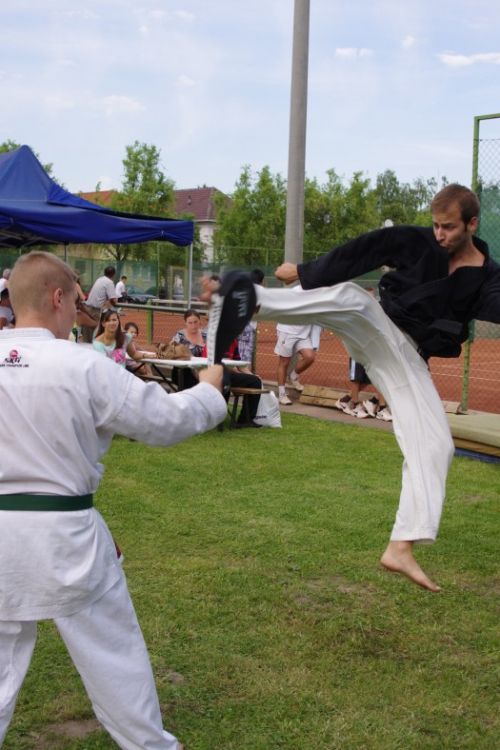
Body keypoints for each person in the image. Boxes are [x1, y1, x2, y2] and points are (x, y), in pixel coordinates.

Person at [0, 250, 227, 749]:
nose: (78, 313)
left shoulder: (80, 362)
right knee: (113, 654)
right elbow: (164, 421)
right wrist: (209, 392)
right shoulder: (82, 365)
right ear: (57, 298)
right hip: (65, 538)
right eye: (76, 303)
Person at [250, 183, 500, 592]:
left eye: (449, 227)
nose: (439, 234)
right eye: (436, 225)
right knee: (353, 300)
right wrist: (306, 272)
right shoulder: (420, 242)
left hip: (407, 360)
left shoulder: (488, 276)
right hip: (381, 326)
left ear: (472, 224)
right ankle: (253, 301)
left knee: (436, 444)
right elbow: (369, 247)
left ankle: (401, 545)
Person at [274, 323, 316, 405]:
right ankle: (282, 394)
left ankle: (293, 376)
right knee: (284, 362)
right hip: (287, 332)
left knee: (310, 357)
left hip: (304, 333)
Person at [169, 308, 208, 390]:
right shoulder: (180, 336)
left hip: (203, 371)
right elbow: (170, 350)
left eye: (195, 322)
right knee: (186, 372)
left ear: (199, 321)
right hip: (182, 372)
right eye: (190, 323)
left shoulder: (206, 335)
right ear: (185, 323)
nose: (193, 326)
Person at [237, 268, 265, 370]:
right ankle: (245, 375)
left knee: (237, 354)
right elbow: (255, 309)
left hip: (237, 324)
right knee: (244, 358)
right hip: (246, 325)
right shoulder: (259, 291)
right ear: (262, 280)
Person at [81, 266, 117, 343]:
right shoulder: (109, 282)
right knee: (98, 331)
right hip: (96, 311)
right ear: (114, 274)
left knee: (87, 333)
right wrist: (114, 303)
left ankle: (88, 347)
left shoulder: (99, 279)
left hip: (87, 308)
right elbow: (113, 299)